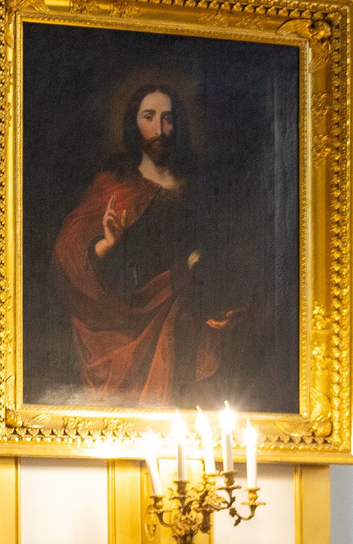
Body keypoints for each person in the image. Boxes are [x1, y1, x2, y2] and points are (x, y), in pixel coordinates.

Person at [52, 81, 237, 407]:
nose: (160, 129)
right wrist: (107, 245)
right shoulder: (114, 186)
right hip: (134, 320)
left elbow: (224, 251)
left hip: (194, 319)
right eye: (149, 117)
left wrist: (219, 299)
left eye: (167, 118)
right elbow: (68, 254)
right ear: (133, 124)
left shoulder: (199, 188)